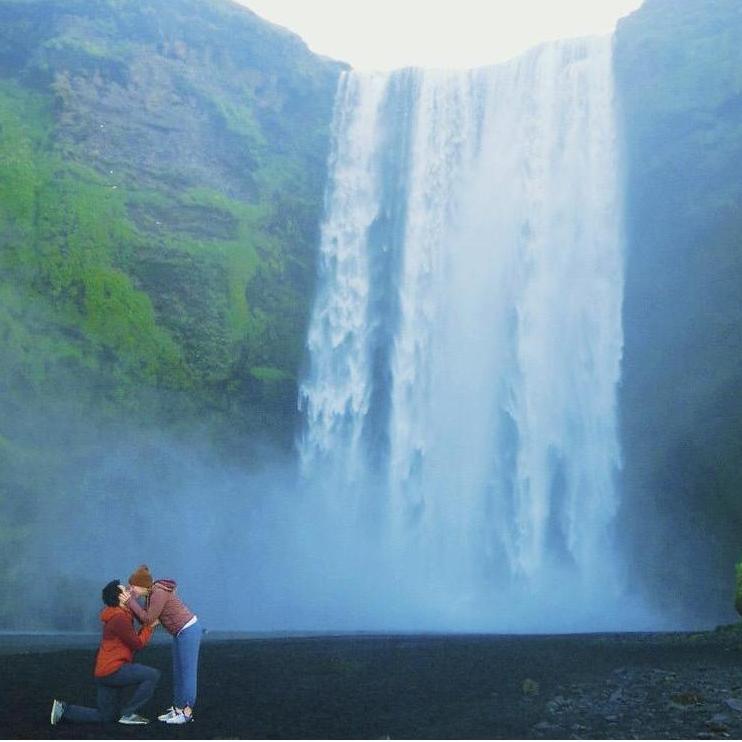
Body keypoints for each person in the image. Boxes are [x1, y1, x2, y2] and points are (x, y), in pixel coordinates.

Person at [50, 579, 160, 726]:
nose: (129, 592)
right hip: (114, 670)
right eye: (125, 591)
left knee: (105, 717)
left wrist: (144, 592)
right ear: (120, 598)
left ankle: (64, 710)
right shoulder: (119, 618)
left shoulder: (119, 612)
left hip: (104, 671)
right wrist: (150, 627)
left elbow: (134, 601)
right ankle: (128, 714)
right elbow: (137, 644)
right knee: (152, 675)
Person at [121, 564, 202, 724]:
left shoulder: (158, 593)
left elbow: (148, 619)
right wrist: (130, 603)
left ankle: (186, 713)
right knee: (179, 672)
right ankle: (178, 708)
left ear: (141, 585)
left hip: (189, 631)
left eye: (132, 586)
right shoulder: (151, 595)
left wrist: (130, 601)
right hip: (182, 633)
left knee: (187, 674)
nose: (131, 589)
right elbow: (145, 620)